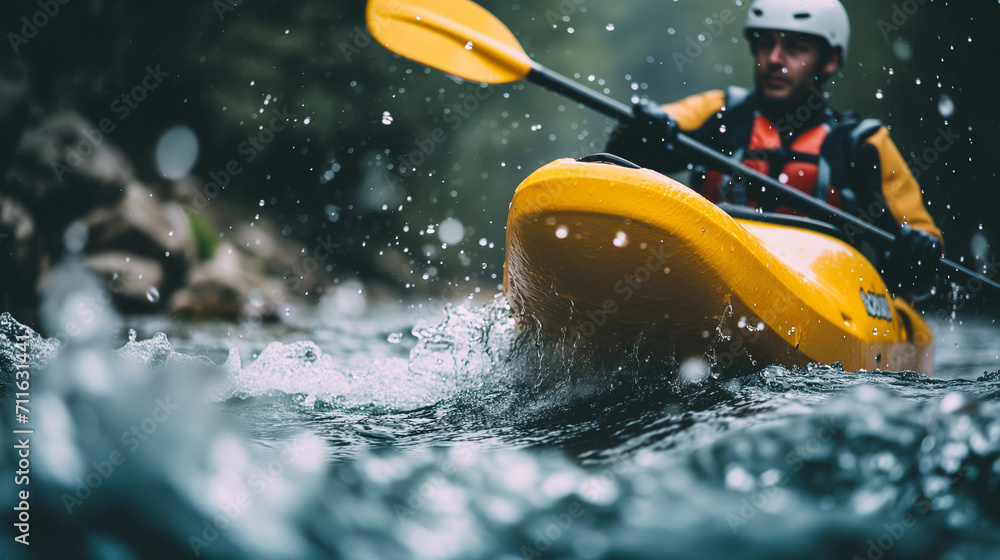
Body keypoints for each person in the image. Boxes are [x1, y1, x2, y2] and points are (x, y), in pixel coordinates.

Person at [607, 0, 943, 299]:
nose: (774, 59)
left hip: (822, 288)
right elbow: (632, 150)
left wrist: (919, 251)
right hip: (713, 271)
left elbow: (919, 244)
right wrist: (641, 129)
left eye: (795, 48)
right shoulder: (720, 112)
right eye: (765, 44)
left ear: (830, 60)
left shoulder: (861, 144)